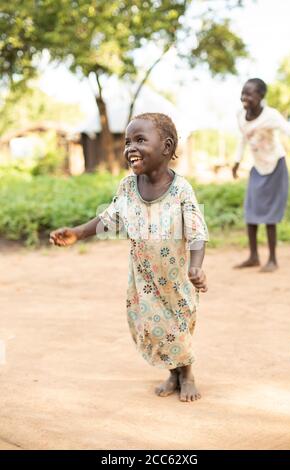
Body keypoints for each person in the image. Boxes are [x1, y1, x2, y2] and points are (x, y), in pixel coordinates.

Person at [50, 113, 209, 403]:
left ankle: (186, 373)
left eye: (140, 140)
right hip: (143, 278)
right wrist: (77, 233)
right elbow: (108, 219)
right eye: (127, 142)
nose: (130, 148)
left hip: (175, 278)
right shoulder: (127, 187)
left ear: (166, 146)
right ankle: (172, 373)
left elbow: (197, 230)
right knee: (154, 324)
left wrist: (196, 266)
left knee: (178, 324)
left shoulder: (181, 189)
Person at [232, 78, 290, 272]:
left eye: (249, 94)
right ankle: (253, 256)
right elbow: (242, 139)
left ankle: (272, 260)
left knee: (270, 215)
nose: (244, 97)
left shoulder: (271, 115)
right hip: (258, 166)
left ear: (261, 96)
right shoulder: (240, 115)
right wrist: (236, 162)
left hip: (276, 165)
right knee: (251, 212)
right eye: (243, 93)